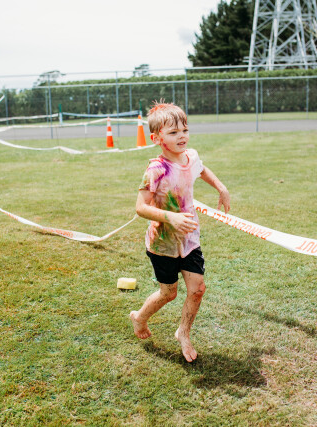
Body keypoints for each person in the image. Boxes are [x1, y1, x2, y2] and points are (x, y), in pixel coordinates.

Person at [130, 101, 230, 363]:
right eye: (173, 132)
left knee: (197, 289)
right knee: (169, 293)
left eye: (184, 130)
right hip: (162, 244)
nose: (182, 136)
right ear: (157, 138)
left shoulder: (191, 157)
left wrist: (221, 188)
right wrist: (171, 217)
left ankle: (183, 333)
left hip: (189, 239)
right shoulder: (156, 170)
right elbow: (140, 207)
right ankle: (139, 317)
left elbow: (201, 170)